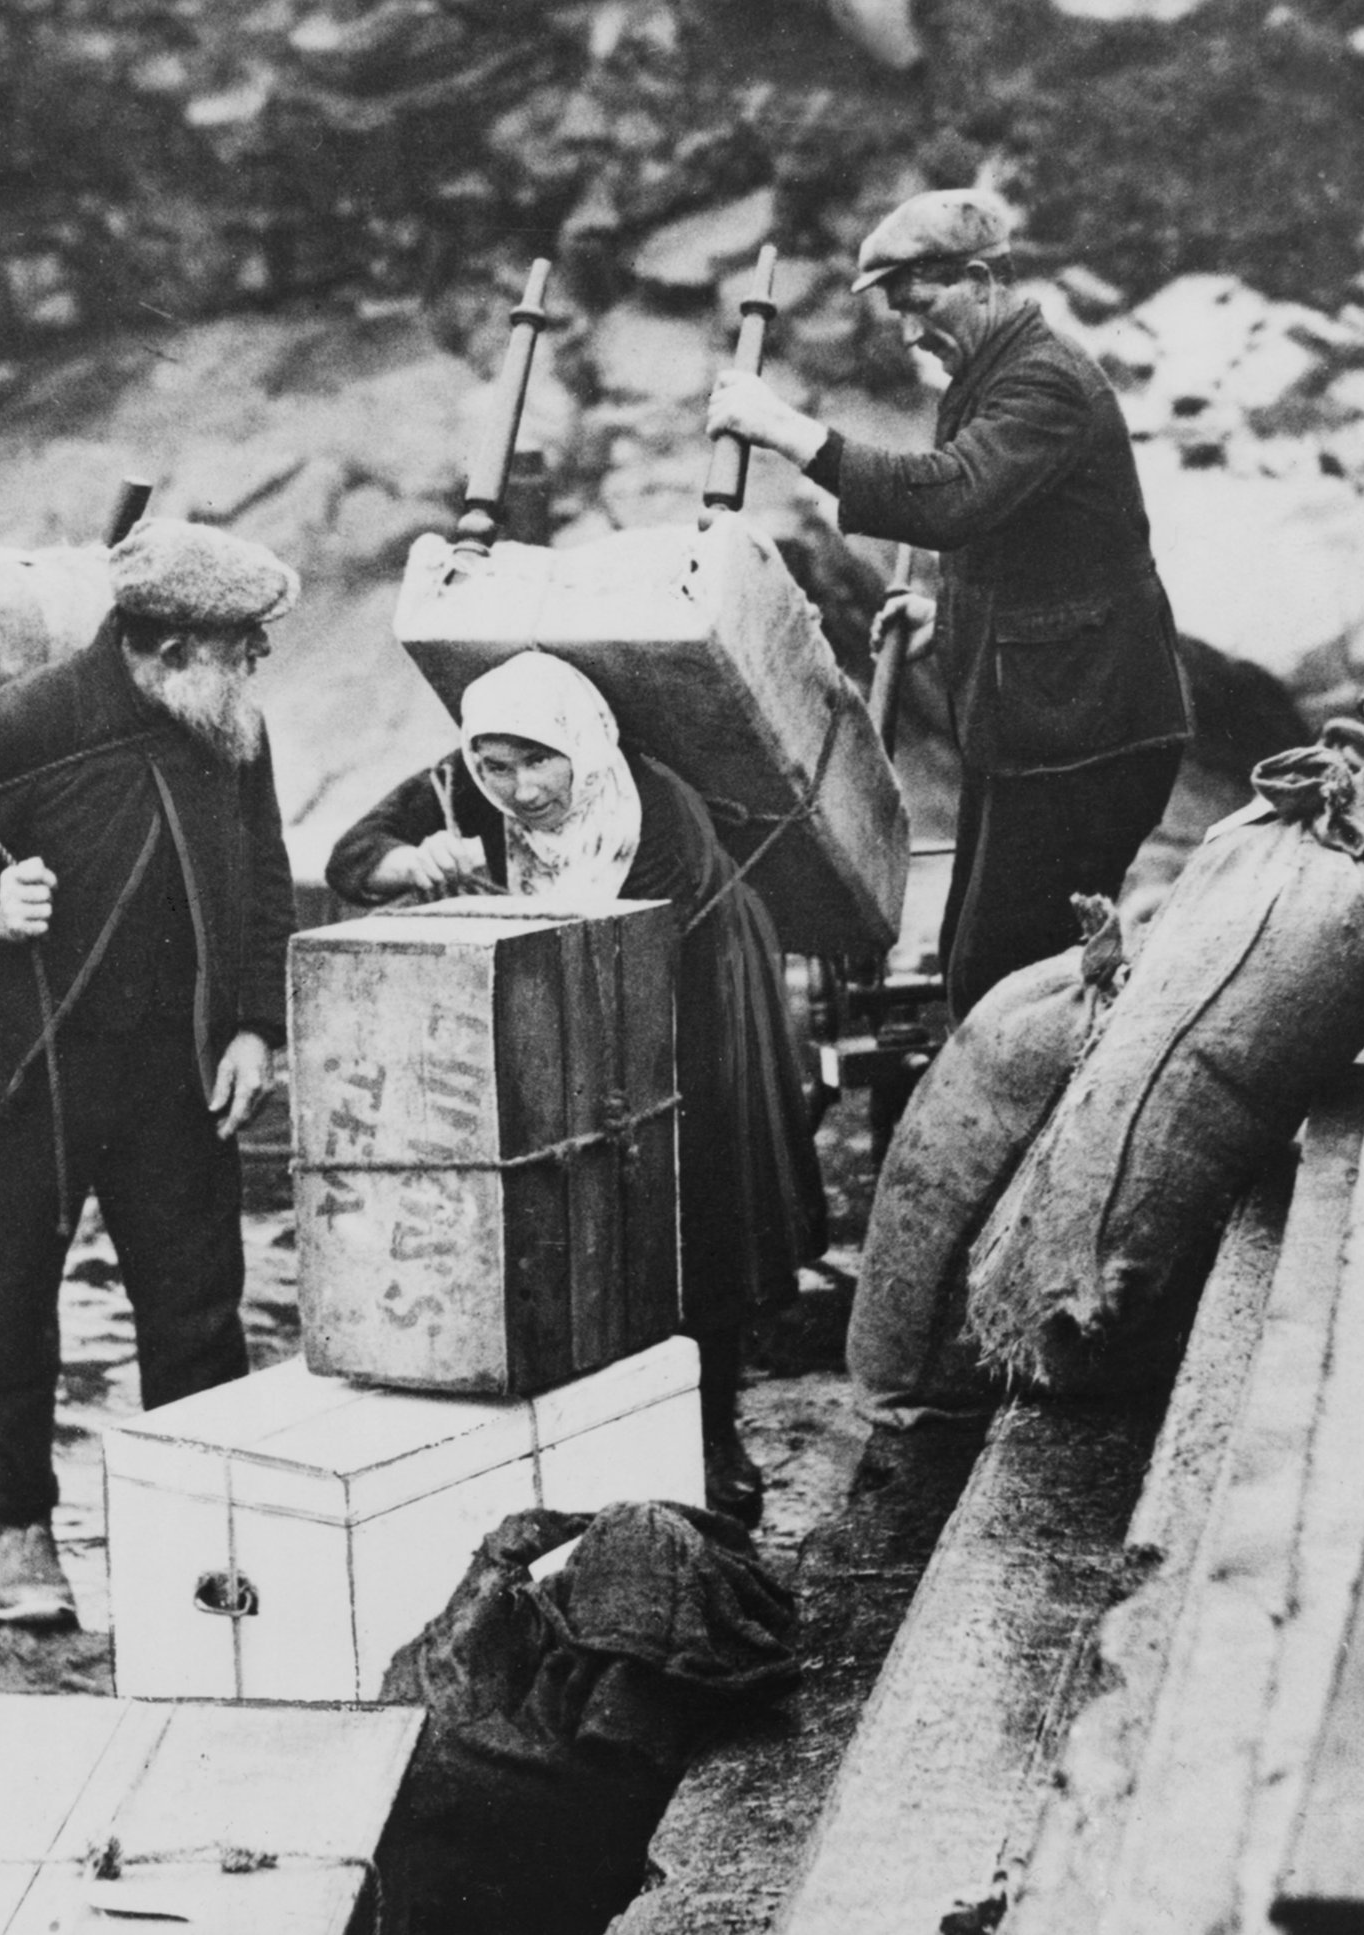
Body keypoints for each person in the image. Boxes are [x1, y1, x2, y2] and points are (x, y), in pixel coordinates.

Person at [0, 518, 299, 1626]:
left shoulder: (227, 728)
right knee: (10, 1304)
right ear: (164, 648)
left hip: (176, 1070)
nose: (256, 663)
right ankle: (20, 1537)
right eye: (239, 644)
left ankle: (199, 1538)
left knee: (198, 1309)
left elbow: (265, 878)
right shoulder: (32, 722)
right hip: (26, 1070)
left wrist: (257, 1028)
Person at [326, 652, 827, 1526]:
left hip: (692, 989)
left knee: (690, 1205)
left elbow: (638, 953)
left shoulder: (656, 811)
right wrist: (415, 862)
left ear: (580, 745)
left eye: (536, 762)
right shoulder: (465, 786)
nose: (516, 790)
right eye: (496, 765)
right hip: (548, 1000)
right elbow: (351, 854)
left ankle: (711, 1432)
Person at [706, 187, 1189, 1016]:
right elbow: (1024, 543)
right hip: (1040, 724)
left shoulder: (1045, 383)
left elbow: (951, 499)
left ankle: (1051, 1136)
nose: (909, 332)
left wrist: (786, 430)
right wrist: (949, 618)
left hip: (1086, 741)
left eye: (919, 304)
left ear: (978, 279)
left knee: (1009, 984)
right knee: (981, 968)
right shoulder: (993, 371)